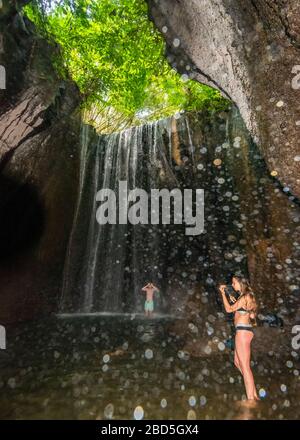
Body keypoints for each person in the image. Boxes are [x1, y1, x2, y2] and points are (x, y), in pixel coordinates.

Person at [219, 276, 259, 401]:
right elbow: (249, 313)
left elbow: (229, 309)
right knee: (238, 362)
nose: (233, 285)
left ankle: (251, 400)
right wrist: (234, 300)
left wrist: (222, 294)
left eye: (234, 282)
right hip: (245, 331)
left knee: (245, 367)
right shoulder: (246, 296)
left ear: (241, 283)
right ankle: (254, 393)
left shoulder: (245, 297)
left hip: (242, 332)